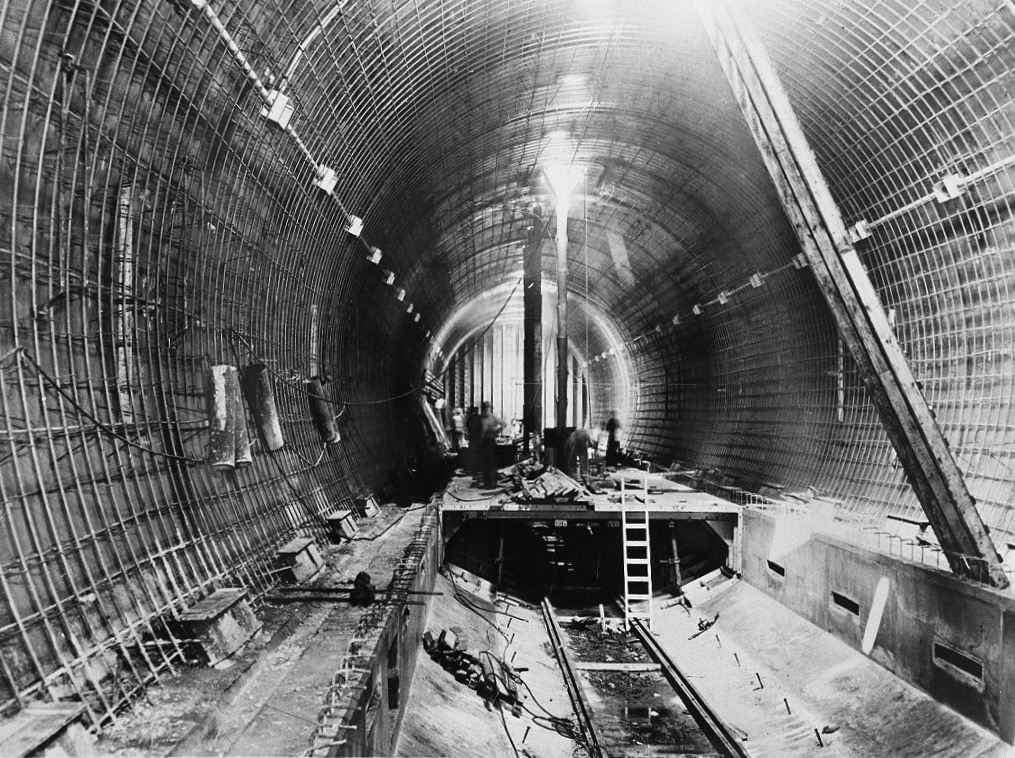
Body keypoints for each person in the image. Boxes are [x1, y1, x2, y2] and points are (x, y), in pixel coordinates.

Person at [479, 401, 503, 488]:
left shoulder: (493, 418)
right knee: (485, 463)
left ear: (490, 409)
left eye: (487, 408)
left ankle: (492, 483)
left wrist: (496, 431)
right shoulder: (481, 418)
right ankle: (487, 483)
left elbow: (504, 423)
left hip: (491, 441)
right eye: (484, 408)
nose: (486, 410)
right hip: (484, 441)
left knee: (492, 462)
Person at [465, 405, 481, 474]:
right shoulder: (479, 417)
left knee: (472, 452)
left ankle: (473, 467)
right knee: (478, 452)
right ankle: (477, 467)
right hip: (477, 437)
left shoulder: (471, 417)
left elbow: (467, 425)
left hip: (472, 436)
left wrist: (470, 431)